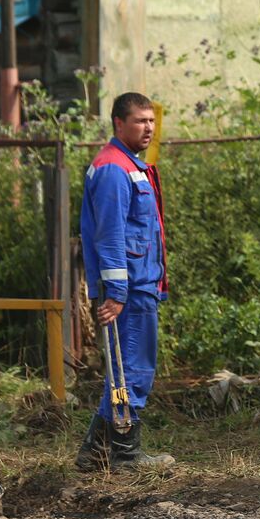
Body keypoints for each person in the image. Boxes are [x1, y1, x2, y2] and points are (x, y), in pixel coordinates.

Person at [76, 92, 175, 472]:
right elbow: (110, 236)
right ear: (119, 123)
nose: (148, 127)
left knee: (131, 368)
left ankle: (95, 452)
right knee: (129, 370)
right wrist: (116, 293)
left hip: (141, 286)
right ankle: (125, 455)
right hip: (127, 292)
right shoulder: (114, 169)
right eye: (140, 121)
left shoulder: (131, 166)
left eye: (151, 120)